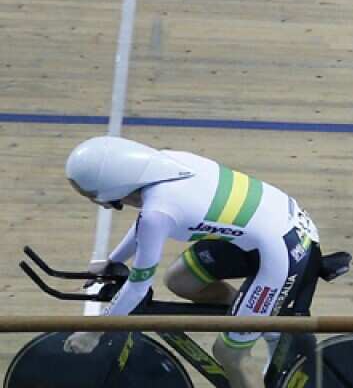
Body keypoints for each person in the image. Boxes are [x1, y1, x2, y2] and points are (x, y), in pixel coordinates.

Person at [63, 136, 321, 388]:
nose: (93, 200)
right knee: (181, 280)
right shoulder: (163, 164)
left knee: (230, 354)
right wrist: (112, 261)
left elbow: (138, 286)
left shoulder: (159, 210)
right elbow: (145, 225)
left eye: (90, 195)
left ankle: (256, 321)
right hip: (276, 226)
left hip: (284, 250)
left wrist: (94, 332)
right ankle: (260, 319)